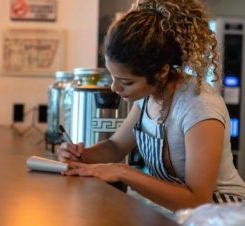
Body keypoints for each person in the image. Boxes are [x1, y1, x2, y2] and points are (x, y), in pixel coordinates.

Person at [56, 0, 245, 211]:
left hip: (223, 214)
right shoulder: (149, 96)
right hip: (182, 214)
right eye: (113, 76)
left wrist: (123, 172)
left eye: (126, 82)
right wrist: (80, 155)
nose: (114, 87)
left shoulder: (199, 108)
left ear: (161, 72)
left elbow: (197, 199)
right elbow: (116, 147)